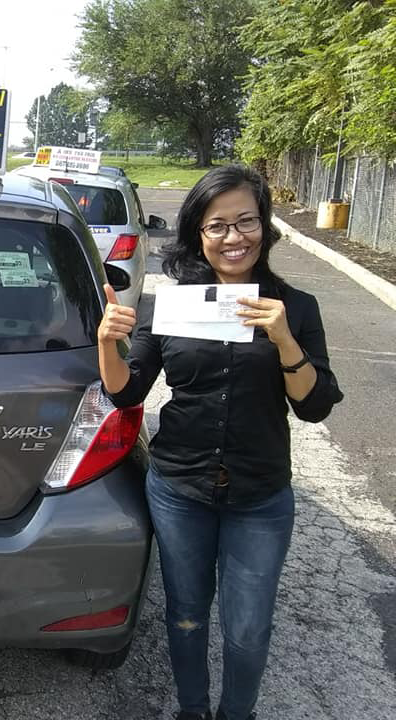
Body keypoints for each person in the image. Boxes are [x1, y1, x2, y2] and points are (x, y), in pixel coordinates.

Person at [96, 165, 342, 720]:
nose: (234, 238)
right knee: (186, 612)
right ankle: (192, 709)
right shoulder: (170, 307)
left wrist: (282, 340)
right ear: (198, 235)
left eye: (246, 222)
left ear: (265, 226)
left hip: (260, 494)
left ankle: (238, 713)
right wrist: (107, 342)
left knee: (249, 625)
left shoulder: (296, 309)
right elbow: (125, 392)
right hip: (180, 487)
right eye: (218, 226)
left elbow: (315, 404)